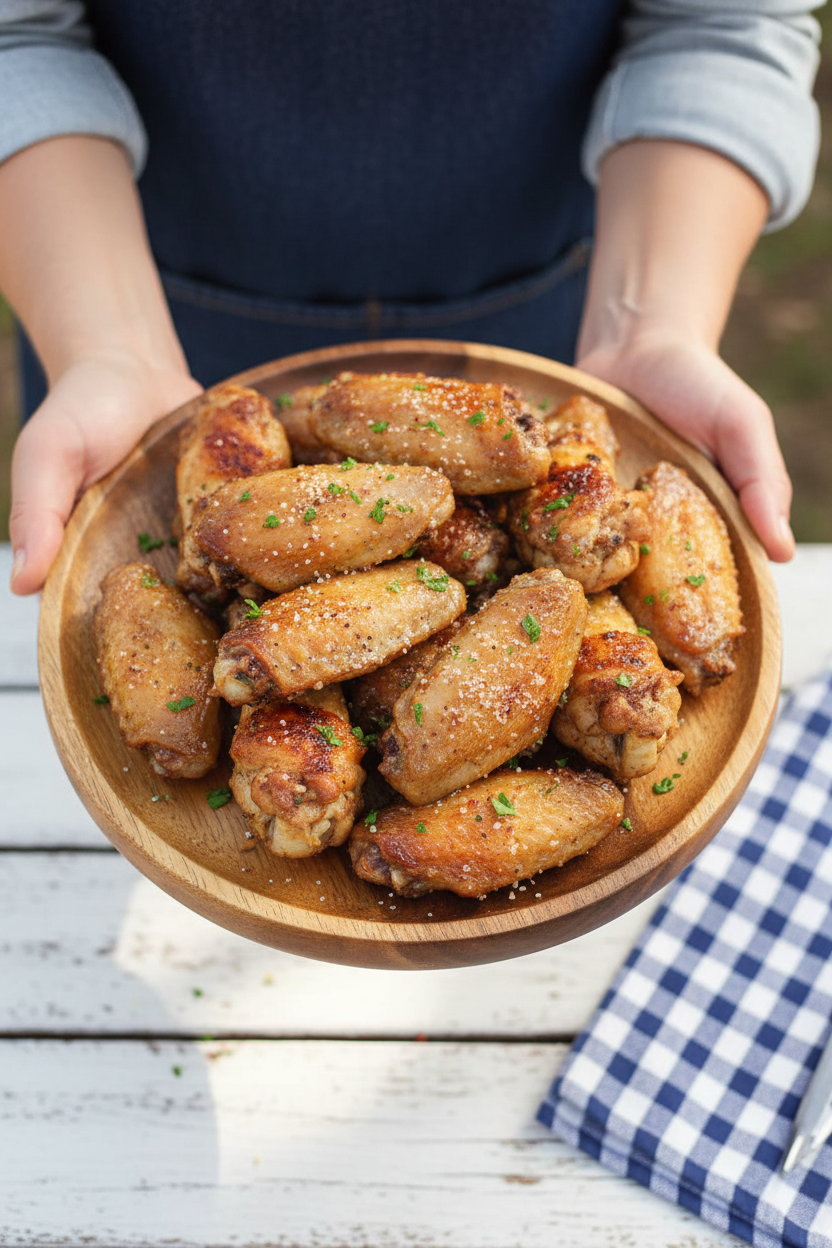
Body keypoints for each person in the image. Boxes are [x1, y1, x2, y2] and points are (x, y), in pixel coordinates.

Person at [0, 1, 823, 596]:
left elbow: (721, 23)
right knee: (184, 571)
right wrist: (106, 345)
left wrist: (653, 325)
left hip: (556, 327)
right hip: (129, 299)